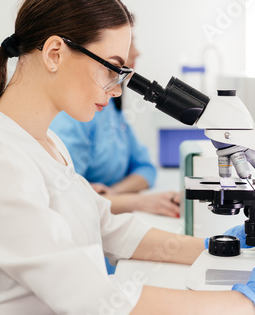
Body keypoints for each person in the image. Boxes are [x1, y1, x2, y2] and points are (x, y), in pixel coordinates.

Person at [0, 0, 255, 314]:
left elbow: (108, 228)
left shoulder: (45, 142)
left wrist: (214, 247)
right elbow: (91, 298)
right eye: (112, 68)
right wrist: (249, 303)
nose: (117, 87)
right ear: (55, 53)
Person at [50, 35, 181, 218]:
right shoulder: (76, 113)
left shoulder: (110, 107)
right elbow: (66, 198)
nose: (136, 52)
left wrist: (114, 192)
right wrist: (140, 202)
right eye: (130, 43)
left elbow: (145, 168)